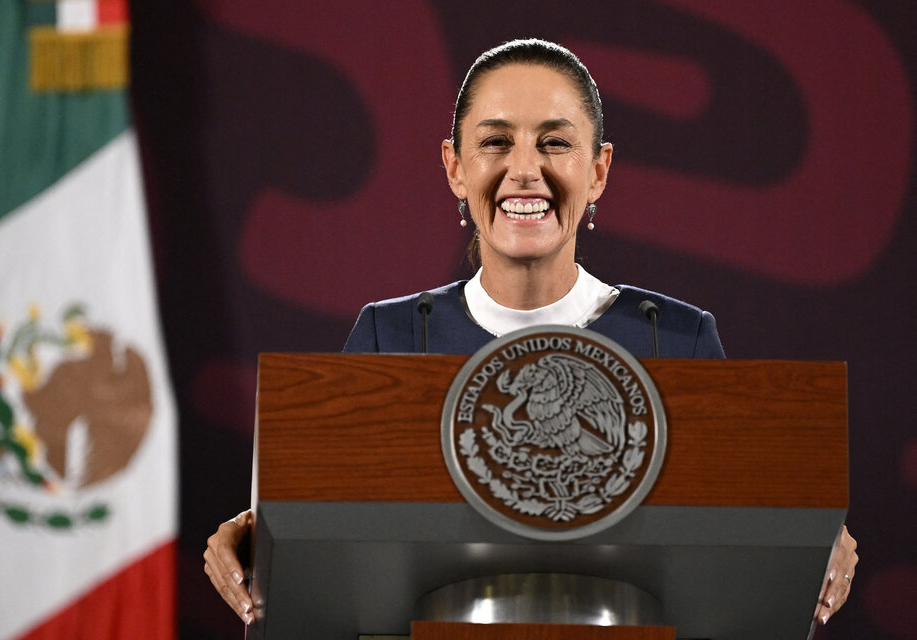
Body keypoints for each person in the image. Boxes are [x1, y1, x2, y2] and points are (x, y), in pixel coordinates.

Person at [203, 38, 857, 628]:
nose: (524, 170)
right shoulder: (390, 336)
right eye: (495, 142)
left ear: (597, 171)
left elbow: (740, 533)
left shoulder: (676, 340)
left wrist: (815, 534)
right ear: (455, 167)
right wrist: (266, 534)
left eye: (554, 142)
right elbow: (332, 537)